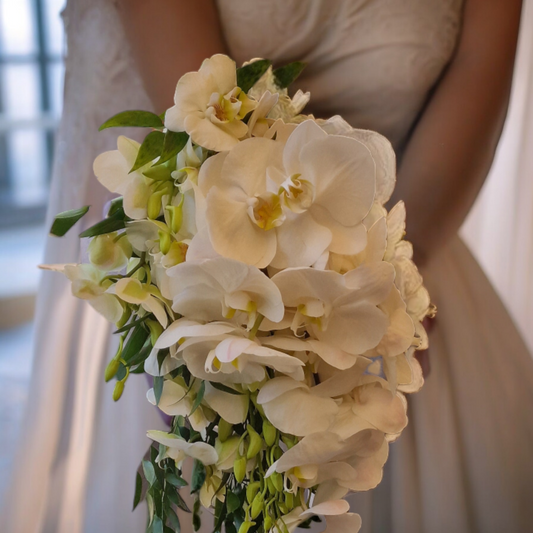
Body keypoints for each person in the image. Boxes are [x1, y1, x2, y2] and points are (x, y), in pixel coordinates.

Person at [3, 0, 533, 532]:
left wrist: (375, 288)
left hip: (402, 253)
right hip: (186, 273)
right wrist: (239, 341)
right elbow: (200, 115)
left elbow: (479, 76)